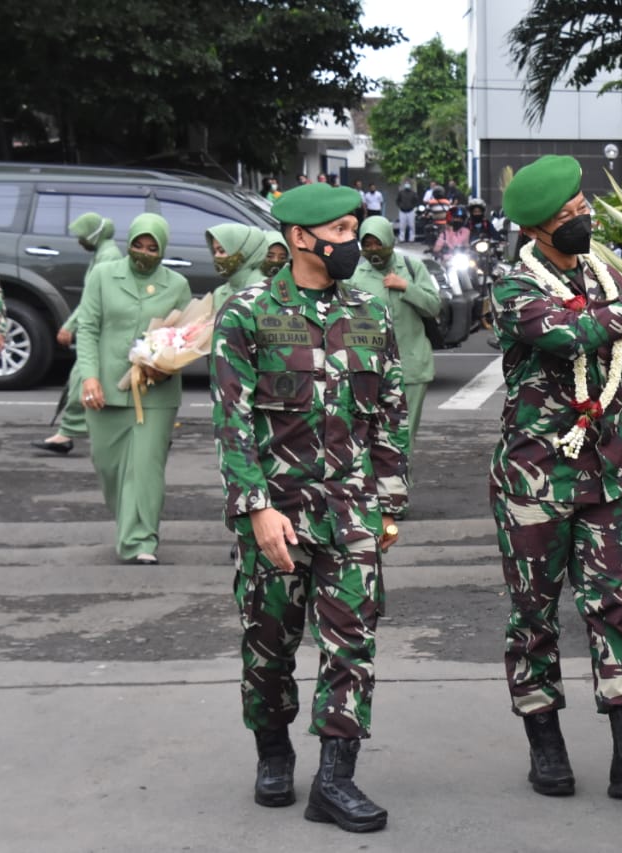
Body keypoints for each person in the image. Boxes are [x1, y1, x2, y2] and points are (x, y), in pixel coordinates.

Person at [211, 182, 408, 833]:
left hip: (350, 507)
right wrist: (257, 509)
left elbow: (388, 413)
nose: (354, 241)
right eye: (344, 230)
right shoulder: (248, 314)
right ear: (302, 238)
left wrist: (390, 501)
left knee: (353, 642)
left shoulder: (371, 312)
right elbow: (233, 426)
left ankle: (334, 779)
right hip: (279, 511)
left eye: (356, 228)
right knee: (268, 643)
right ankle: (272, 748)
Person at [491, 154, 622, 800]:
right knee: (535, 615)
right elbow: (573, 334)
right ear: (538, 227)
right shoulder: (513, 289)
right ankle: (545, 746)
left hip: (603, 478)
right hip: (535, 481)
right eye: (567, 214)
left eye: (583, 207)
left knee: (615, 606)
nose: (582, 218)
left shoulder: (606, 283)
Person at [76, 213, 191, 565]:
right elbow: (87, 328)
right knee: (109, 467)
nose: (144, 252)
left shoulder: (177, 284)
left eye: (152, 247)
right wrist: (89, 377)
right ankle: (127, 520)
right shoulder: (103, 276)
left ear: (163, 249)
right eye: (138, 245)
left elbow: (188, 337)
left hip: (156, 392)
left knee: (145, 468)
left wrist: (166, 363)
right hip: (107, 387)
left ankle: (140, 540)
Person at [350, 215, 442, 460]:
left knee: (404, 437)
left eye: (378, 244)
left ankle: (401, 491)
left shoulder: (412, 268)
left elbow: (434, 306)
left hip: (412, 367)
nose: (373, 250)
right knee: (372, 436)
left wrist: (406, 287)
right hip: (371, 369)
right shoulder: (355, 275)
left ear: (390, 240)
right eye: (367, 245)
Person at [34, 212, 123, 455]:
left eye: (82, 236)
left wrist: (70, 326)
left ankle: (66, 435)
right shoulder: (103, 254)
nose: (79, 241)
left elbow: (92, 300)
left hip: (99, 331)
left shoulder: (108, 257)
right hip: (100, 329)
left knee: (82, 380)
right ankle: (68, 433)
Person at [208, 224, 269, 314]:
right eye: (215, 251)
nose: (216, 256)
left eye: (221, 251)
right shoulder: (220, 293)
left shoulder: (266, 289)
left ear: (244, 251)